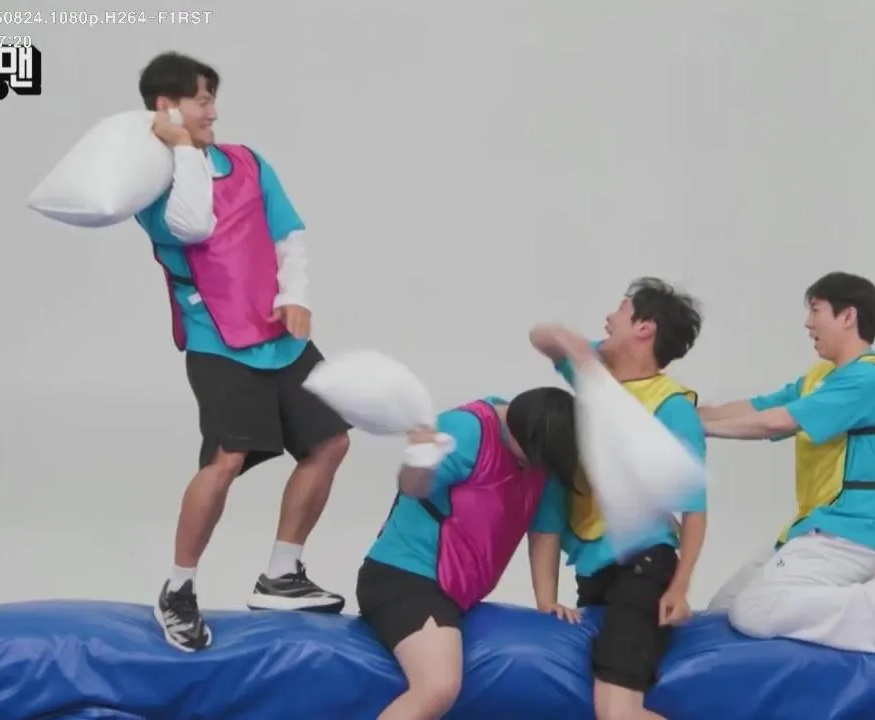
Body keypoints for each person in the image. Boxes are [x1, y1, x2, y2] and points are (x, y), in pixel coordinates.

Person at [133, 51, 352, 652]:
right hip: (218, 341)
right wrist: (182, 148)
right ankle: (178, 589)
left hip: (278, 334)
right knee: (226, 460)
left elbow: (289, 232)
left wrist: (295, 296)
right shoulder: (149, 181)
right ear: (167, 106)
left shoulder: (249, 163)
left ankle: (281, 574)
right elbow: (192, 225)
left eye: (213, 100)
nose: (213, 112)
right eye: (202, 101)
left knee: (331, 441)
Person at [699, 272, 875, 662]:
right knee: (720, 611)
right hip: (811, 529)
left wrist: (698, 429)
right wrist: (683, 413)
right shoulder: (820, 377)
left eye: (815, 310)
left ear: (848, 316)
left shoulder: (871, 378)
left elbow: (778, 422)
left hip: (849, 534)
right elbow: (759, 407)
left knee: (751, 610)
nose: (808, 323)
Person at [528, 277, 707, 720]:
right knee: (605, 706)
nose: (608, 318)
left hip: (644, 565)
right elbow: (540, 336)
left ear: (645, 328)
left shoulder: (672, 407)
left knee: (616, 710)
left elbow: (695, 510)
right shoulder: (594, 374)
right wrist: (546, 600)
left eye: (621, 311)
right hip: (594, 575)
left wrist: (680, 588)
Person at [356, 388, 576, 720]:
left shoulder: (546, 454)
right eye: (527, 458)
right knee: (438, 686)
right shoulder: (466, 430)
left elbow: (544, 530)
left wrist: (547, 601)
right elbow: (412, 487)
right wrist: (420, 457)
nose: (530, 468)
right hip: (404, 577)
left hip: (453, 593)